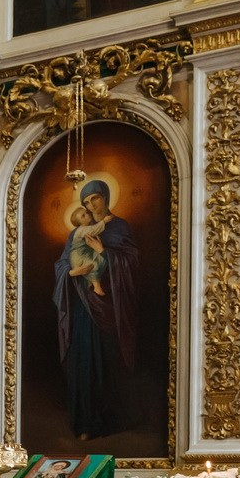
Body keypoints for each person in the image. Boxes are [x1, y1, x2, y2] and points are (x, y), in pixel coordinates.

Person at [55, 177, 139, 440]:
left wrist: (105, 252)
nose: (91, 205)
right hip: (83, 307)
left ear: (106, 197)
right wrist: (71, 272)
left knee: (107, 360)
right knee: (84, 360)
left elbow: (133, 262)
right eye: (86, 201)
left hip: (111, 309)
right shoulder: (75, 233)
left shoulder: (120, 227)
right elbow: (62, 264)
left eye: (95, 198)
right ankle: (86, 423)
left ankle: (110, 420)